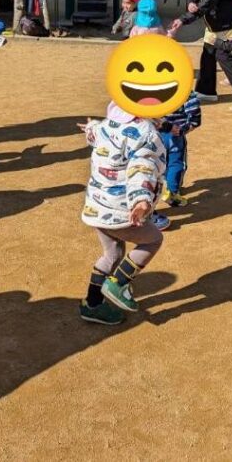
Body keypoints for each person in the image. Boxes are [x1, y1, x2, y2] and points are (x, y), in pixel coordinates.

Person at [78, 103, 167, 324]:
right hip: (121, 211)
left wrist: (90, 127)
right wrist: (141, 199)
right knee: (153, 240)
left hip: (97, 207)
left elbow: (95, 132)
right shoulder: (145, 133)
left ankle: (93, 304)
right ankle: (118, 284)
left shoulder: (108, 124)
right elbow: (142, 166)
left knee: (112, 255)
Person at [157, 91, 202, 214]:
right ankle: (172, 192)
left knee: (157, 162)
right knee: (176, 164)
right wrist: (184, 129)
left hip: (154, 134)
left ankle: (160, 187)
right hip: (174, 135)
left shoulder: (152, 87)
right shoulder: (185, 91)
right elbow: (195, 117)